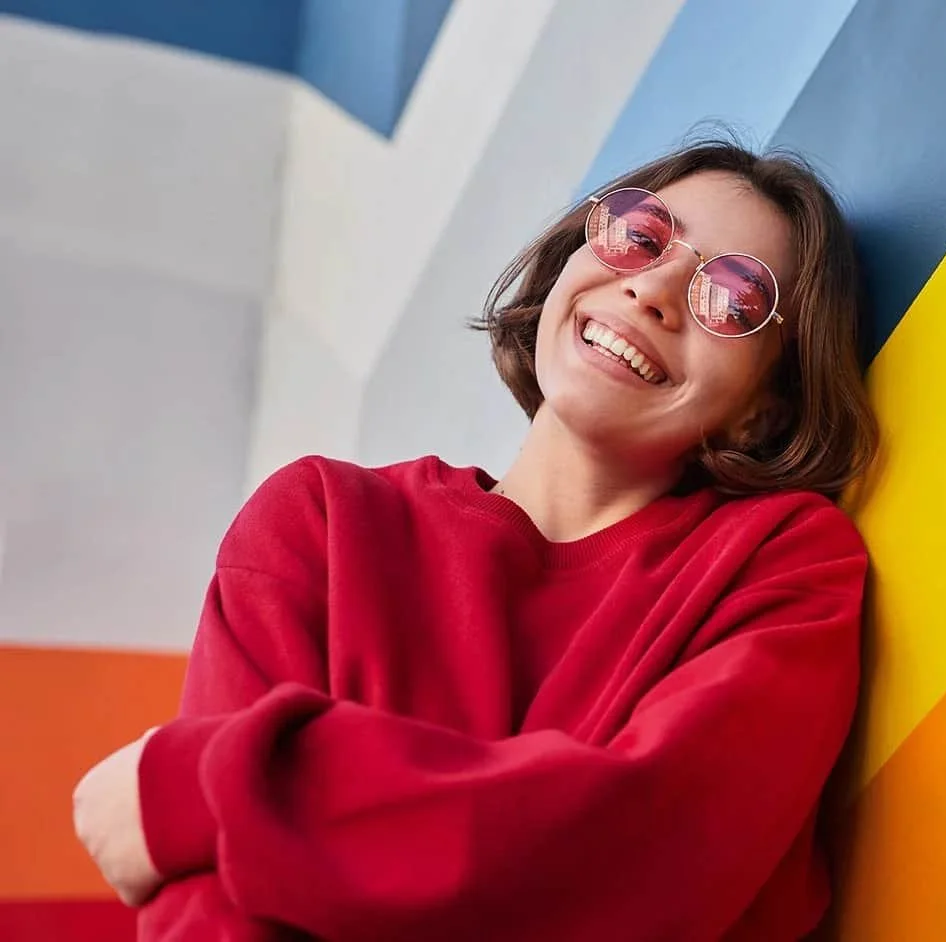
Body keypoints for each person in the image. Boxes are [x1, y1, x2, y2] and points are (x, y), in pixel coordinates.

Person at [72, 138, 879, 941]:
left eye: (734, 298)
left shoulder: (781, 563)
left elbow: (644, 845)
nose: (653, 290)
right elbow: (215, 904)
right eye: (641, 234)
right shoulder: (320, 519)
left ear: (763, 409)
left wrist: (207, 794)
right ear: (571, 260)